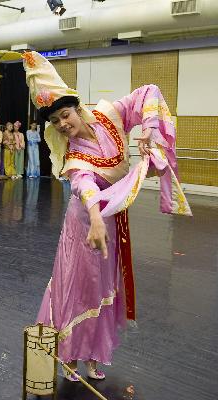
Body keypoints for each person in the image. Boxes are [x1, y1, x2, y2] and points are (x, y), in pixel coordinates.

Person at [22, 51, 191, 381]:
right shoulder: (74, 157)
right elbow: (84, 187)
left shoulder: (109, 116)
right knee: (77, 287)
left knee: (103, 286)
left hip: (111, 220)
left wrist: (150, 133)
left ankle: (94, 356)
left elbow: (149, 92)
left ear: (78, 108)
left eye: (65, 115)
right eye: (54, 121)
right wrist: (96, 219)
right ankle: (70, 355)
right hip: (85, 224)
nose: (62, 124)